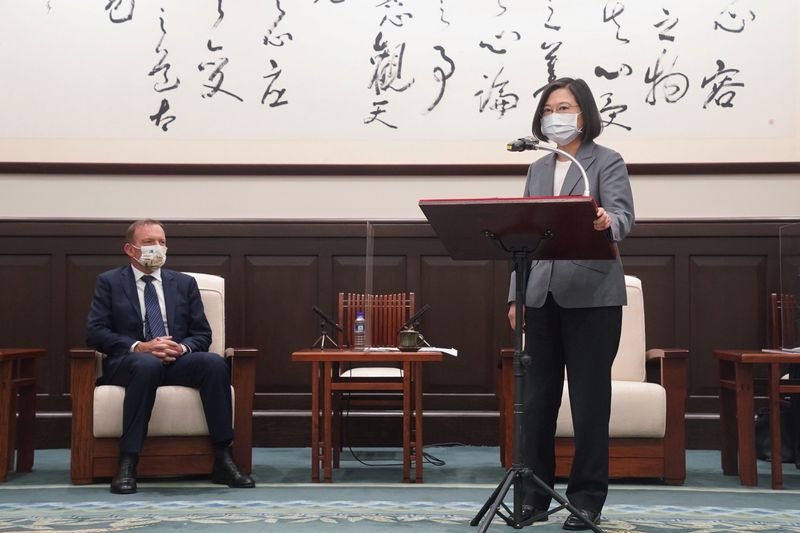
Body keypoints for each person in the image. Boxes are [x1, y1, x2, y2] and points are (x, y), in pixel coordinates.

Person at [507, 77, 635, 530]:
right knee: (538, 401)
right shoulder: (538, 169)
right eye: (549, 108)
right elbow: (521, 237)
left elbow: (624, 217)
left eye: (565, 106)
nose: (555, 115)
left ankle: (586, 500)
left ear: (584, 114)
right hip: (540, 297)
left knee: (589, 403)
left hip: (593, 300)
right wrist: (516, 296)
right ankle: (534, 498)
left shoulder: (606, 161)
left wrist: (605, 221)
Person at [86, 219, 255, 494]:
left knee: (213, 363)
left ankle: (224, 458)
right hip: (131, 362)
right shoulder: (110, 282)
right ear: (130, 249)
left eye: (162, 242)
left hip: (176, 359)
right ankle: (128, 461)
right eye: (149, 242)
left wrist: (182, 348)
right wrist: (139, 346)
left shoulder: (184, 284)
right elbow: (95, 332)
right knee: (146, 363)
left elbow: (202, 334)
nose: (158, 248)